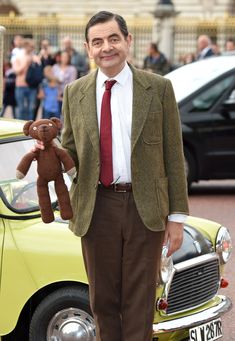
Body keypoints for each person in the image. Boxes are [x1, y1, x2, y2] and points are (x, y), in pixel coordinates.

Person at [60, 11, 188, 341]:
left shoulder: (158, 88)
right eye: (98, 42)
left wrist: (176, 217)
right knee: (102, 300)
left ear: (128, 41)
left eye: (113, 39)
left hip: (144, 207)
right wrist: (52, 158)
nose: (107, 48)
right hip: (96, 206)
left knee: (139, 300)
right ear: (88, 48)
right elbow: (70, 153)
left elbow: (173, 155)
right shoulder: (75, 92)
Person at [12, 38, 41, 120]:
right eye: (31, 46)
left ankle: (29, 128)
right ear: (25, 46)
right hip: (20, 86)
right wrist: (26, 63)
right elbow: (16, 71)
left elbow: (39, 70)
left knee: (31, 108)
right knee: (21, 108)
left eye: (33, 46)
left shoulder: (35, 57)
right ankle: (20, 128)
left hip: (32, 86)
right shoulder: (18, 56)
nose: (32, 48)